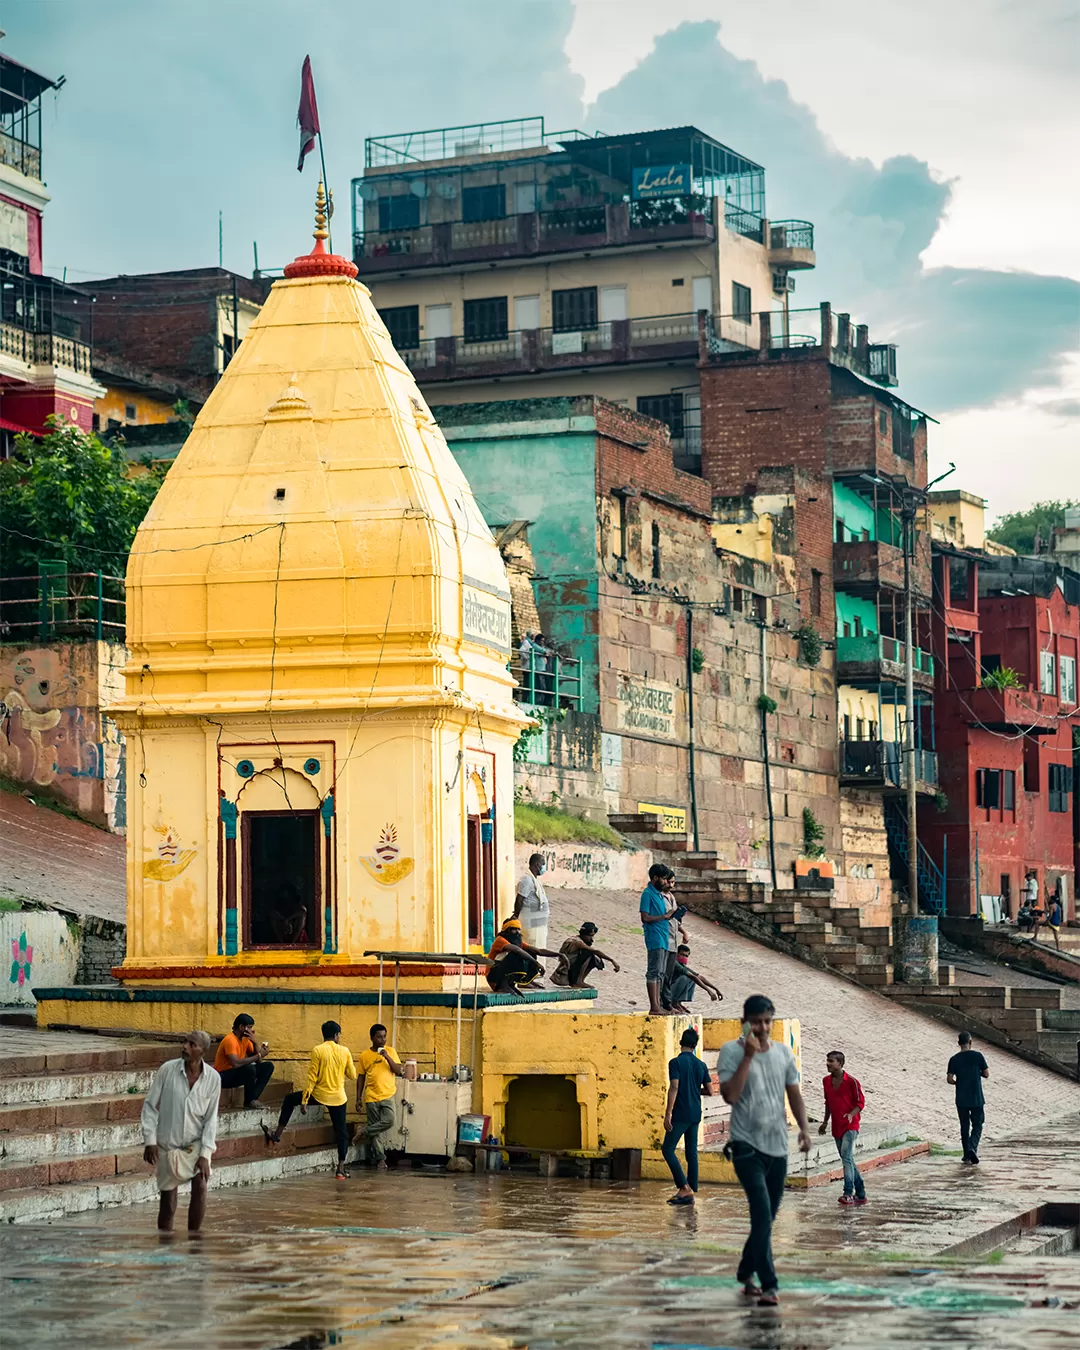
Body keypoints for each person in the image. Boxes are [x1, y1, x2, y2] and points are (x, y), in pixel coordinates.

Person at [718, 994, 812, 1307]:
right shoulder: (731, 1052)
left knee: (766, 1218)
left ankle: (745, 1271)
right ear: (745, 1022)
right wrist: (747, 1056)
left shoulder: (784, 1054)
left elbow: (794, 1094)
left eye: (766, 1021)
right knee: (760, 1214)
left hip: (777, 1147)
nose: (761, 1027)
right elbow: (730, 1096)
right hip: (745, 1146)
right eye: (756, 1021)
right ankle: (769, 1284)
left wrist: (804, 1129)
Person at [141, 1030, 221, 1233]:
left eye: (191, 1044)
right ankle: (165, 1246)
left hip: (196, 1144)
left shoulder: (213, 1079)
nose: (184, 1047)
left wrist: (205, 1154)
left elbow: (211, 1119)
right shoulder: (167, 1070)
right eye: (185, 1042)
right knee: (168, 1203)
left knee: (201, 1185)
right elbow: (150, 1106)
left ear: (202, 1051)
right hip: (168, 1144)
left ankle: (195, 1240)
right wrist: (150, 1140)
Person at [263, 1020, 356, 1180]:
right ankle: (341, 1168)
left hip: (319, 1094)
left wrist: (305, 1099)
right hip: (338, 1097)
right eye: (339, 1035)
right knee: (342, 1133)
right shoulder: (345, 1051)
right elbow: (352, 1075)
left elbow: (312, 1077)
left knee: (290, 1100)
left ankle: (277, 1134)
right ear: (336, 1035)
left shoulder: (317, 1050)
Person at [662, 1026, 714, 1205]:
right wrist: (693, 1089)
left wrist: (668, 1113)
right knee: (691, 1151)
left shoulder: (675, 1063)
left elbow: (674, 1087)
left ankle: (684, 1186)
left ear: (680, 1043)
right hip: (695, 1113)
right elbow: (710, 1091)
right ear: (695, 1045)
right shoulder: (701, 1065)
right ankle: (691, 1188)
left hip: (681, 1112)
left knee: (667, 1149)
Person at [819, 1050, 867, 1206]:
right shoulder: (826, 1081)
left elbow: (860, 1103)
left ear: (839, 1063)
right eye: (827, 1060)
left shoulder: (852, 1082)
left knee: (846, 1157)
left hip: (850, 1125)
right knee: (848, 1160)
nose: (827, 1064)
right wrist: (825, 1122)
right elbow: (828, 1103)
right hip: (836, 1126)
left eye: (831, 1061)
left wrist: (852, 1114)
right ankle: (861, 1193)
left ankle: (848, 1193)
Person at [356, 1023, 405, 1170]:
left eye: (384, 1036)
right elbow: (360, 1077)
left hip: (387, 1095)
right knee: (375, 1133)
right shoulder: (364, 1055)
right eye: (379, 1037)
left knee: (389, 1121)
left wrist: (387, 1057)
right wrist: (358, 1098)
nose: (382, 1040)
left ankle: (363, 1130)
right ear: (372, 1038)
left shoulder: (390, 1051)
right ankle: (380, 1159)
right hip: (371, 1097)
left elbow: (398, 1071)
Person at [484, 917, 567, 993]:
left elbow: (538, 951)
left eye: (518, 929)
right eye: (514, 929)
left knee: (531, 952)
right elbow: (517, 950)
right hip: (493, 978)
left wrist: (559, 954)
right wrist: (536, 963)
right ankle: (502, 985)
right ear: (507, 930)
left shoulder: (516, 942)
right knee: (517, 954)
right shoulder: (500, 940)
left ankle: (522, 982)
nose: (517, 932)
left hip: (501, 973)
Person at [640, 863, 681, 1015]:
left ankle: (658, 1005)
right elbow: (645, 917)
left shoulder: (658, 894)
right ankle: (654, 1007)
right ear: (655, 878)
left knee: (661, 973)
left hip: (664, 937)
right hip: (655, 937)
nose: (665, 882)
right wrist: (664, 916)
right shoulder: (647, 894)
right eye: (663, 879)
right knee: (654, 972)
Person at [213, 1013, 274, 1107]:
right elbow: (236, 1063)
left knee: (268, 1066)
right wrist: (259, 1055)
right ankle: (249, 1101)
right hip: (223, 1076)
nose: (252, 1030)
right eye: (249, 1027)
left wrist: (255, 1042)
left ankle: (252, 1099)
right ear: (241, 1027)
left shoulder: (246, 1040)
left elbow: (259, 1061)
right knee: (249, 1069)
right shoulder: (230, 1040)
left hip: (237, 1073)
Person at [947, 1031, 989, 1164]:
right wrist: (977, 1072)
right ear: (970, 1042)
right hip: (976, 1097)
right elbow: (986, 1074)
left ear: (959, 1043)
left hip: (961, 1098)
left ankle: (966, 1154)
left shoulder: (954, 1059)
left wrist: (957, 1082)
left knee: (964, 1126)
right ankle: (972, 1147)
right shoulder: (978, 1056)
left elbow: (949, 1079)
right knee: (977, 1124)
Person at [549, 922, 621, 988]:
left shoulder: (578, 940)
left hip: (570, 965)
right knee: (589, 954)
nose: (591, 939)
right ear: (585, 934)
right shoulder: (577, 942)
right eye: (590, 936)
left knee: (596, 958)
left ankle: (580, 980)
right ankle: (578, 981)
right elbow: (595, 951)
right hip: (565, 968)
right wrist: (612, 960)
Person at [665, 944, 722, 1013]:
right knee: (686, 978)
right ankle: (673, 1002)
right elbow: (692, 976)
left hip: (670, 989)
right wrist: (708, 991)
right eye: (682, 954)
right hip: (665, 992)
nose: (684, 957)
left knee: (693, 979)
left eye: (686, 956)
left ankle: (678, 1002)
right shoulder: (674, 963)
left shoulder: (682, 965)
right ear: (676, 954)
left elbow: (699, 977)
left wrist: (716, 989)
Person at [514, 852, 551, 951]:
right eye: (543, 863)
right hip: (531, 926)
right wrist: (516, 916)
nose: (544, 866)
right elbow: (519, 899)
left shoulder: (534, 880)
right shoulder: (527, 880)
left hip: (538, 926)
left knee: (539, 949)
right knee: (533, 949)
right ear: (537, 865)